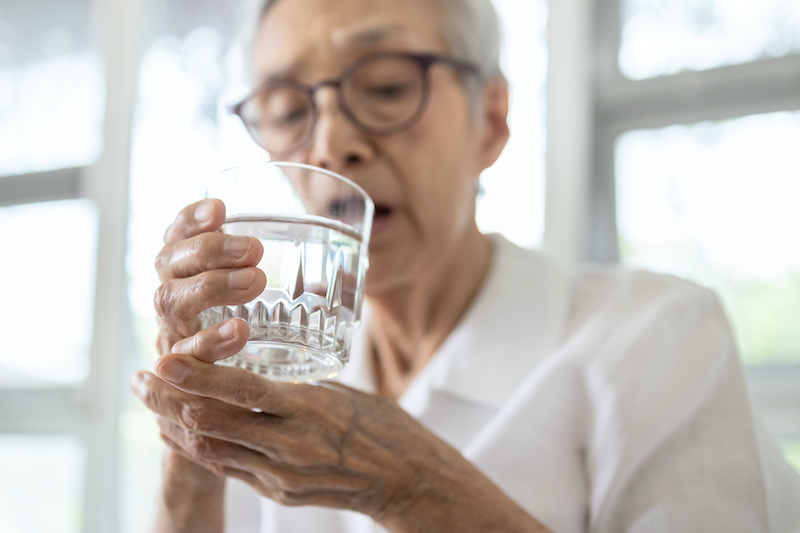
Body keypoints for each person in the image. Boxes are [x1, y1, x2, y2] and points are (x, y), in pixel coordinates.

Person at [130, 0, 800, 531]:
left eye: (388, 87)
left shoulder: (655, 336)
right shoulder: (273, 366)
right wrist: (191, 449)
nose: (332, 142)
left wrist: (416, 489)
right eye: (285, 110)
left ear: (492, 120)